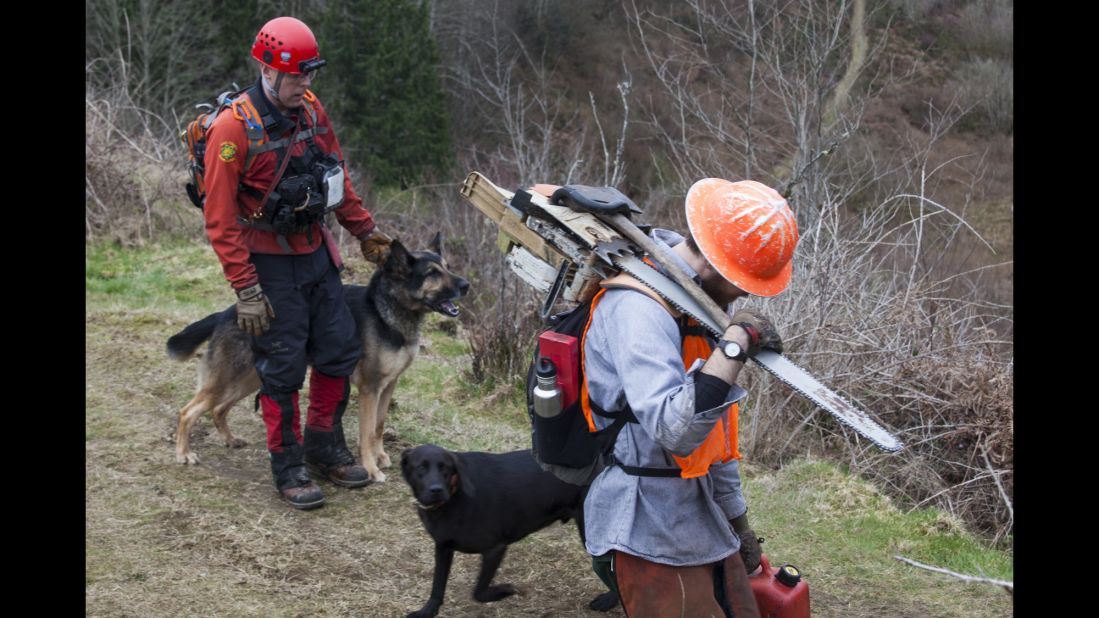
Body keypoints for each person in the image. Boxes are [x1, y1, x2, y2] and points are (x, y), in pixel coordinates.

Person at [581, 178, 798, 617]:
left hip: (698, 513)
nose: (746, 294)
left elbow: (713, 437)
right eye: (744, 283)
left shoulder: (693, 303)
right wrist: (734, 347)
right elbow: (674, 431)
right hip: (642, 519)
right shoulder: (637, 309)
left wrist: (739, 523)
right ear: (718, 267)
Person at [201, 16, 392, 510]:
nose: (307, 83)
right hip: (267, 264)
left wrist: (365, 231)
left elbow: (336, 176)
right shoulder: (231, 130)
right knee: (283, 368)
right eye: (298, 74)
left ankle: (324, 446)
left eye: (311, 73)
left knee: (338, 351)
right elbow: (220, 220)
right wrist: (245, 289)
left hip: (315, 254)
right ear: (268, 70)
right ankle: (288, 465)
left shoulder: (310, 109)